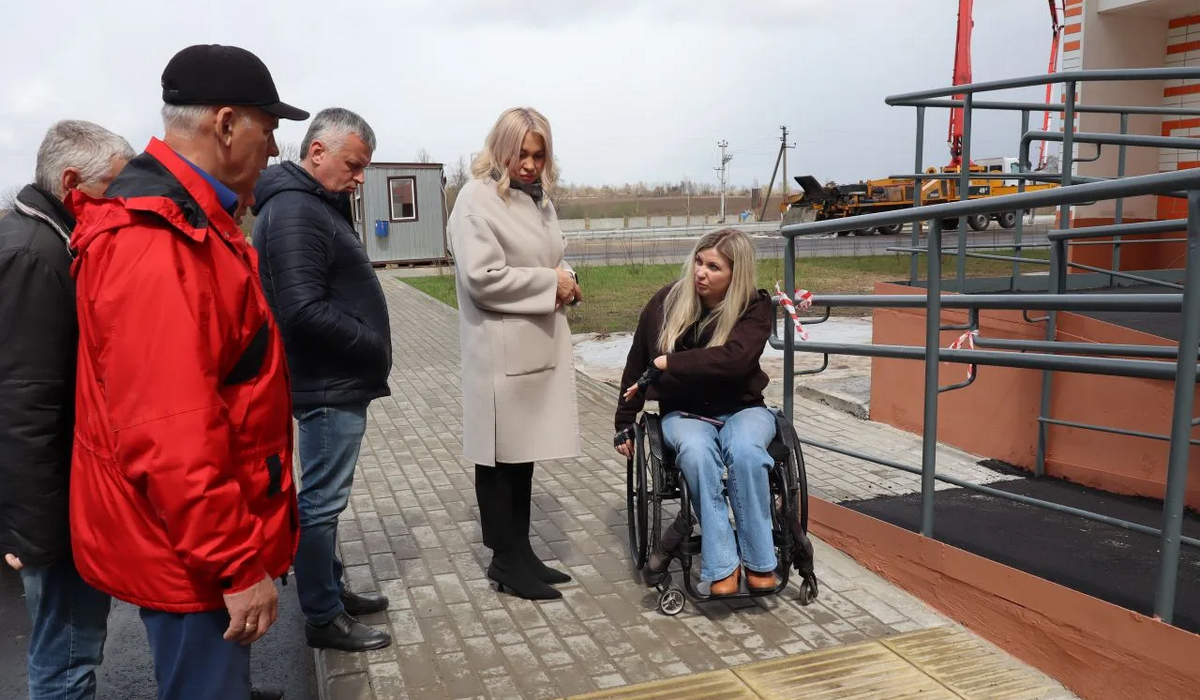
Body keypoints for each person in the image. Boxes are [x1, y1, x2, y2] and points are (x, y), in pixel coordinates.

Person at [67, 44, 308, 700]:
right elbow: (172, 436)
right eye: (268, 129)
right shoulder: (156, 243)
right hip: (193, 560)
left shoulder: (191, 223)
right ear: (226, 124)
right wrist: (236, 565)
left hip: (196, 546)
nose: (274, 149)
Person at [0, 120, 132, 700]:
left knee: (72, 645)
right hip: (53, 510)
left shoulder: (51, 239)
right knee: (67, 653)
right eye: (114, 187)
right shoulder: (34, 255)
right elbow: (24, 404)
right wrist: (39, 534)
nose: (122, 201)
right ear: (73, 182)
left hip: (61, 495)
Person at [252, 108, 393, 652]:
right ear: (317, 152)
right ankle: (323, 615)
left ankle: (329, 589)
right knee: (321, 503)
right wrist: (370, 343)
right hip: (328, 383)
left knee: (323, 500)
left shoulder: (311, 204)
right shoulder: (296, 210)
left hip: (332, 379)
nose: (360, 178)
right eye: (353, 165)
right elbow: (301, 309)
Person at [447, 107, 583, 601]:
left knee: (522, 458)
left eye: (538, 155)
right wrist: (551, 284)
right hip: (500, 354)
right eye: (521, 154)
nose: (529, 164)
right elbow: (482, 279)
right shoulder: (476, 200)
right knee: (500, 460)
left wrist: (567, 278)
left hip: (534, 348)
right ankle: (504, 561)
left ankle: (521, 552)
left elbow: (551, 257)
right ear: (500, 149)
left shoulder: (535, 198)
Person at [613, 228, 779, 596]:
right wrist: (624, 421)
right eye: (699, 262)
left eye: (714, 267)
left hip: (743, 409)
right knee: (697, 454)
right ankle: (723, 566)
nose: (700, 272)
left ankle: (759, 562)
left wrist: (669, 362)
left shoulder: (754, 307)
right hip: (685, 412)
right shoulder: (666, 302)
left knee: (748, 453)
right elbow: (638, 361)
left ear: (736, 275)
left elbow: (735, 360)